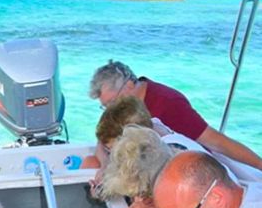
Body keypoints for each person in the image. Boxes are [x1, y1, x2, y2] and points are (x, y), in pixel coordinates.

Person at [89, 60, 262, 171]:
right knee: (90, 163)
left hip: (185, 169)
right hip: (141, 166)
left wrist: (259, 166)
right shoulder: (121, 108)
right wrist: (105, 166)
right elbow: (102, 143)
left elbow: (215, 141)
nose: (110, 110)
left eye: (111, 103)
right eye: (105, 107)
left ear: (128, 85)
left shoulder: (168, 103)